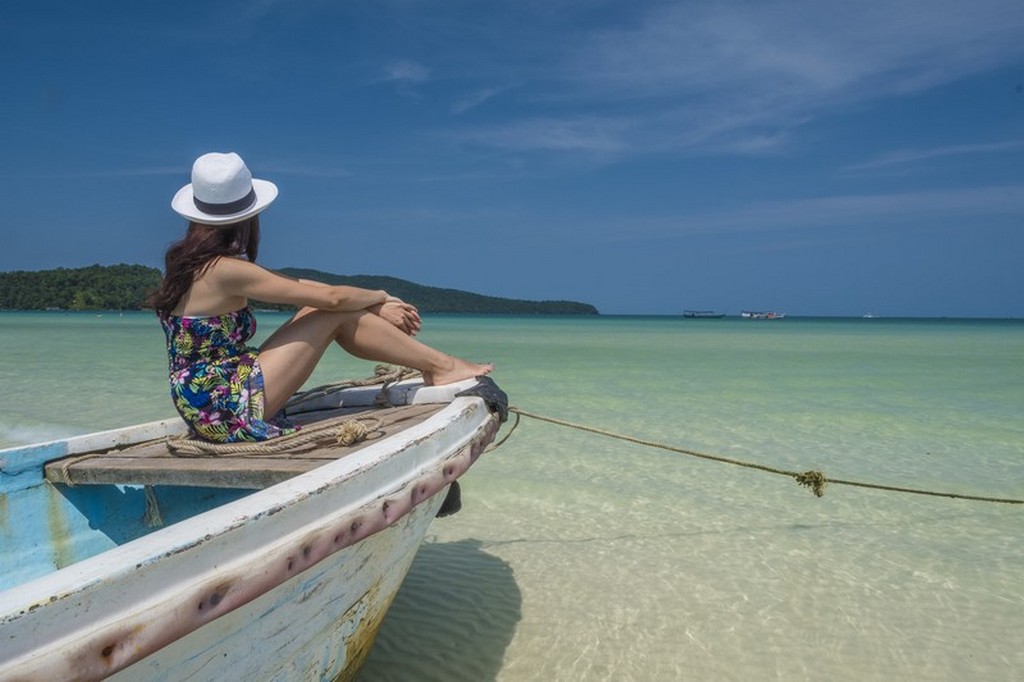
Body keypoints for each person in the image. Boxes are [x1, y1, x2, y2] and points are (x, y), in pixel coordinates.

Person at [149, 151, 493, 443]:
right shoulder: (224, 269)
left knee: (317, 307)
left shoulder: (188, 265)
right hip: (222, 405)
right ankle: (442, 366)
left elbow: (308, 290)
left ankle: (438, 366)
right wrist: (380, 296)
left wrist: (369, 302)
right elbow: (331, 298)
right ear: (247, 218)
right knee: (333, 313)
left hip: (203, 398)